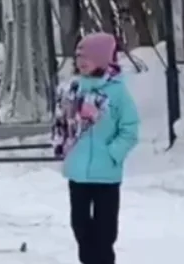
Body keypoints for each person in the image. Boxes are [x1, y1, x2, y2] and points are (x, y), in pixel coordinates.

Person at [53, 32, 139, 264]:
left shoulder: (117, 92)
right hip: (78, 172)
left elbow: (130, 128)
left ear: (102, 60)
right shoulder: (72, 89)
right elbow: (62, 123)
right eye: (78, 57)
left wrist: (114, 153)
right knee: (80, 226)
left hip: (106, 174)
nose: (81, 62)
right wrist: (63, 148)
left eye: (87, 58)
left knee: (105, 231)